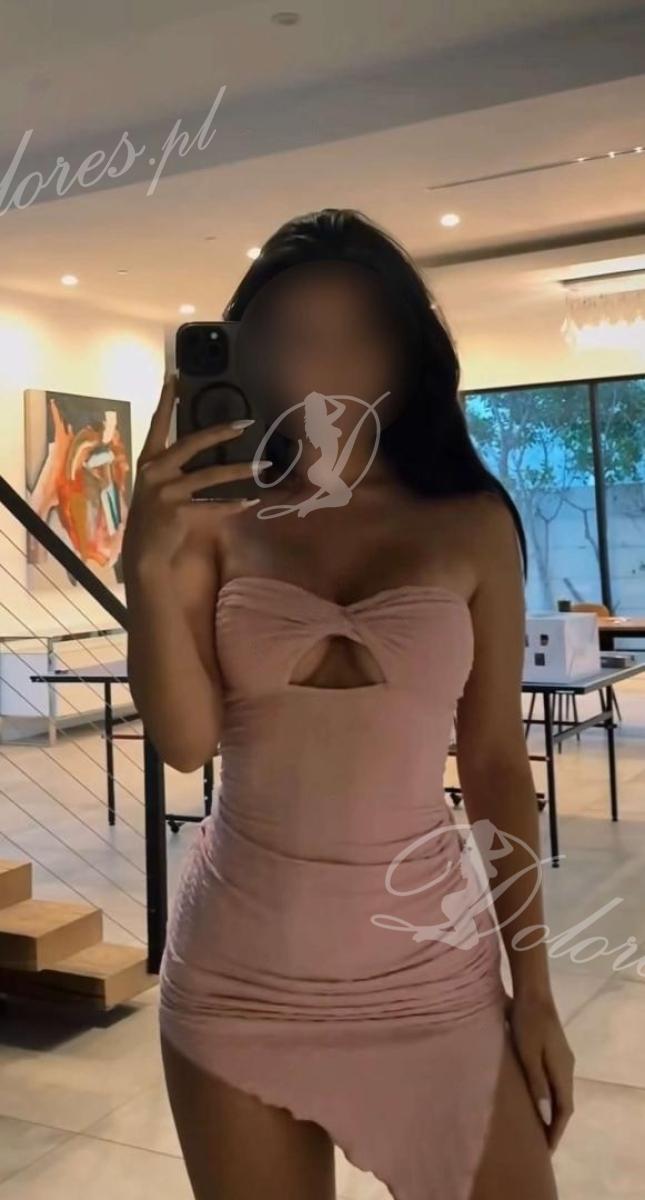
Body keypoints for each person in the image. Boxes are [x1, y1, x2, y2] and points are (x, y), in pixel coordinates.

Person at [122, 208, 574, 1200]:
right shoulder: (219, 519)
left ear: (407, 356)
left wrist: (534, 989)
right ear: (251, 356)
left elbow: (495, 762)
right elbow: (187, 743)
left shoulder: (469, 522)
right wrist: (144, 565)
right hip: (238, 980)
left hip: (429, 980)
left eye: (356, 333)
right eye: (292, 336)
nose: (323, 363)